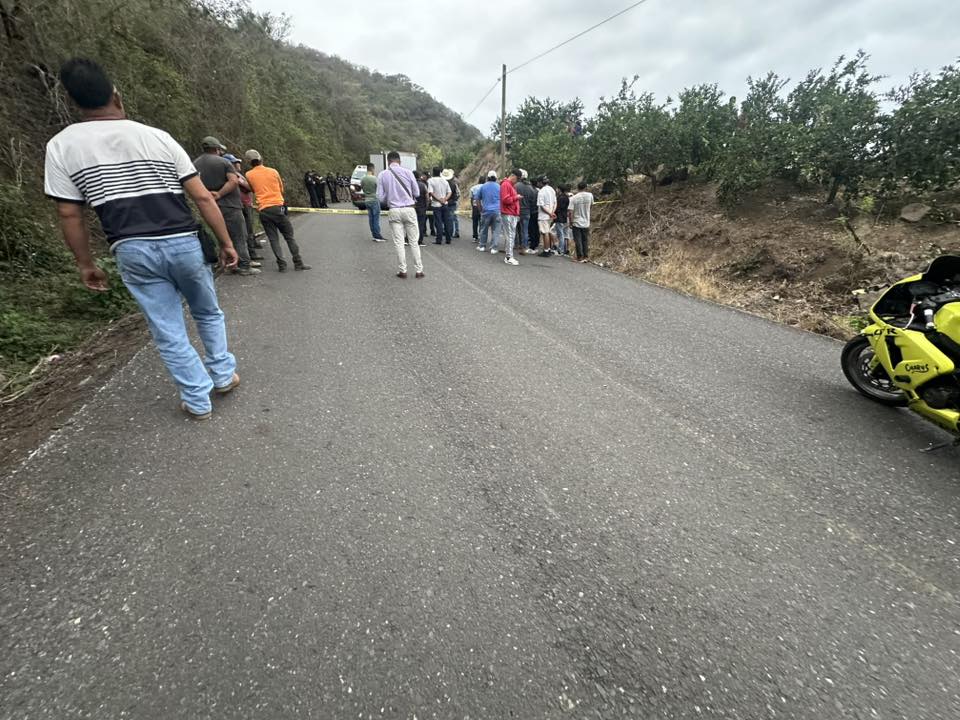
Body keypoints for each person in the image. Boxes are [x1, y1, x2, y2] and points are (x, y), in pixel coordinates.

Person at [45, 58, 240, 420]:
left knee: (167, 327)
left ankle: (197, 399)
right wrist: (226, 242)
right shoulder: (156, 136)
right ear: (116, 97)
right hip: (183, 241)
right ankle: (223, 374)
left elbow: (70, 213)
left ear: (74, 102)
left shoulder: (61, 146)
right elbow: (200, 197)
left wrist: (85, 263)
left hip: (131, 248)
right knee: (207, 311)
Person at [193, 136, 260, 276]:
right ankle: (244, 266)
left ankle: (230, 264)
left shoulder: (195, 164)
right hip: (230, 205)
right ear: (217, 149)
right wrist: (219, 193)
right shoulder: (224, 162)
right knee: (239, 236)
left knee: (222, 236)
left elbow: (193, 185)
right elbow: (233, 181)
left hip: (210, 208)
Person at [244, 149, 311, 272]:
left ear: (249, 162)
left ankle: (282, 265)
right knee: (289, 237)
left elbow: (252, 189)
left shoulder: (248, 175)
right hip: (278, 208)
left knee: (273, 239)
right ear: (261, 159)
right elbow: (281, 190)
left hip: (264, 210)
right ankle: (298, 263)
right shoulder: (273, 171)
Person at [377, 151, 423, 279]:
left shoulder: (382, 175)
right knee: (414, 241)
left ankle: (402, 270)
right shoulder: (408, 172)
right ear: (399, 161)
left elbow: (380, 198)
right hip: (409, 209)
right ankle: (419, 270)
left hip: (394, 210)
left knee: (399, 242)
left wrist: (391, 197)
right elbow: (417, 193)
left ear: (388, 161)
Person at [225, 153, 263, 262]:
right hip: (243, 204)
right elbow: (248, 187)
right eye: (235, 162)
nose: (238, 164)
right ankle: (250, 254)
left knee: (248, 230)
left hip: (246, 203)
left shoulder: (238, 174)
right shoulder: (234, 175)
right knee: (247, 231)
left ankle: (251, 252)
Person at [569, 181, 595, 263]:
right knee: (585, 240)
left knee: (578, 240)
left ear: (578, 188)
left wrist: (571, 221)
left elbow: (571, 211)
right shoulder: (590, 195)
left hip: (577, 221)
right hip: (586, 221)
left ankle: (579, 256)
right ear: (586, 187)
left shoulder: (573, 198)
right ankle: (586, 256)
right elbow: (591, 205)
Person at [499, 169, 521, 266]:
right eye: (517, 178)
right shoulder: (506, 185)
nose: (517, 181)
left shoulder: (510, 185)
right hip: (507, 213)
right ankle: (509, 257)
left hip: (512, 213)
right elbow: (505, 200)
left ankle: (509, 255)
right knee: (510, 236)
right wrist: (516, 197)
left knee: (511, 235)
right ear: (513, 176)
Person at [477, 170, 501, 253]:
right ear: (496, 178)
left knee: (484, 229)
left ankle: (482, 246)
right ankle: (494, 248)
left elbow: (477, 199)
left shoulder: (483, 187)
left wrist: (480, 209)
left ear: (488, 177)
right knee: (496, 230)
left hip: (486, 211)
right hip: (497, 211)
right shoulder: (499, 187)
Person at [427, 166, 452, 244]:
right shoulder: (445, 181)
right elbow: (449, 192)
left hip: (436, 204)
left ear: (433, 172)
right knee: (446, 222)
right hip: (445, 204)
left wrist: (439, 200)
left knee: (438, 222)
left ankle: (439, 239)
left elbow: (431, 192)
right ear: (440, 172)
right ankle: (448, 239)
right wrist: (445, 199)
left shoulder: (430, 181)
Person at [516, 170, 539, 255]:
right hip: (527, 211)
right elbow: (533, 201)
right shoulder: (531, 188)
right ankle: (524, 246)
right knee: (525, 230)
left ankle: (516, 244)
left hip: (517, 211)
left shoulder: (516, 186)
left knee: (515, 228)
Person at [360, 163, 384, 242]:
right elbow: (378, 189)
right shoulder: (374, 178)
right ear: (372, 169)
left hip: (367, 200)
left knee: (371, 218)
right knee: (376, 218)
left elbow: (362, 188)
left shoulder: (363, 179)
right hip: (374, 199)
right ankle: (378, 235)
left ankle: (374, 234)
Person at [536, 175, 557, 256]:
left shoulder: (541, 192)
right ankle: (548, 249)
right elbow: (555, 202)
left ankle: (546, 250)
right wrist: (552, 212)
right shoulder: (552, 189)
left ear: (541, 182)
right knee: (547, 231)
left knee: (545, 233)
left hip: (544, 215)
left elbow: (541, 205)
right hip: (550, 214)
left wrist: (549, 213)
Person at [442, 168, 461, 238]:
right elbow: (458, 194)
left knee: (447, 218)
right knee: (453, 218)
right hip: (452, 202)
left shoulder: (445, 184)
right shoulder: (454, 183)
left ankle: (449, 232)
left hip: (445, 202)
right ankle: (453, 232)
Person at [555, 184, 570, 256]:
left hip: (559, 217)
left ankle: (560, 250)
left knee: (560, 234)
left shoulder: (560, 198)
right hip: (564, 217)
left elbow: (558, 208)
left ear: (559, 189)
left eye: (557, 189)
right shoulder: (566, 197)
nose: (556, 190)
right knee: (563, 234)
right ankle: (563, 249)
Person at [415, 171, 429, 245]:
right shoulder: (423, 185)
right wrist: (426, 205)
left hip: (412, 207)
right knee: (421, 224)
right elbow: (427, 197)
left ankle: (408, 239)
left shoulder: (410, 185)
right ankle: (420, 240)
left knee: (410, 224)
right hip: (421, 207)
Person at [469, 175, 483, 241]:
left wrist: (472, 206)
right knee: (482, 222)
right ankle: (481, 235)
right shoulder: (485, 187)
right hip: (483, 206)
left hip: (475, 206)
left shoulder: (473, 188)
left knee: (475, 222)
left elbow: (471, 198)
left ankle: (475, 236)